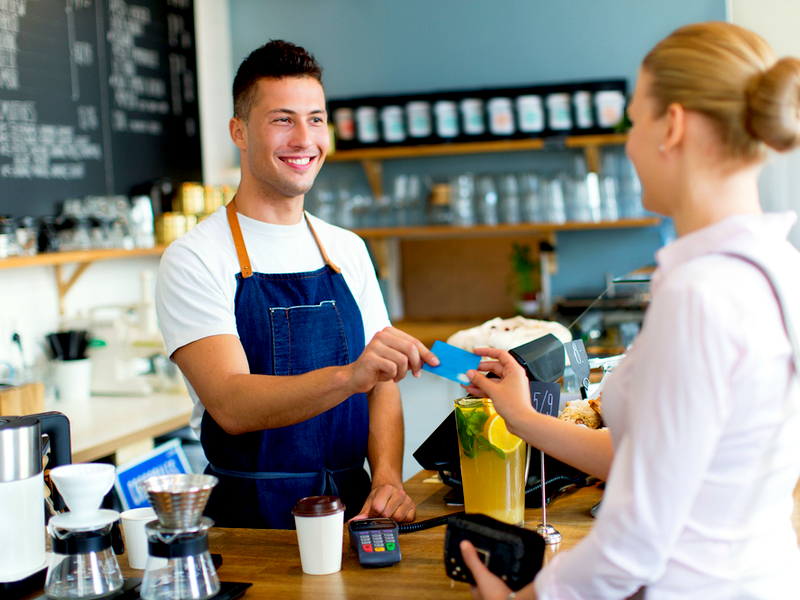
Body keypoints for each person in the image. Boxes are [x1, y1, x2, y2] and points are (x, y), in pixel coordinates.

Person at [459, 22, 800, 600]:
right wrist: (523, 418)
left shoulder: (699, 294)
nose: (629, 144)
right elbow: (666, 452)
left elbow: (636, 539)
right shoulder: (780, 269)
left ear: (672, 126)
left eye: (635, 121)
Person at [155, 40, 437, 529]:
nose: (304, 139)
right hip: (254, 521)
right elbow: (231, 404)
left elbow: (382, 383)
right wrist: (349, 376)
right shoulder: (196, 257)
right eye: (282, 119)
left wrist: (387, 477)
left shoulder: (345, 249)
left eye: (316, 119)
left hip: (355, 512)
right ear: (239, 132)